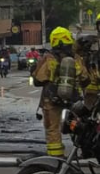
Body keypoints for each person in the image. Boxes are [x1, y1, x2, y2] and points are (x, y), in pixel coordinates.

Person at [33, 27, 90, 157]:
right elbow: (85, 79)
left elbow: (38, 80)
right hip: (73, 99)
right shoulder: (75, 58)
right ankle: (82, 154)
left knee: (53, 130)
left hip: (51, 100)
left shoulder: (48, 58)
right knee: (76, 127)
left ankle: (56, 159)